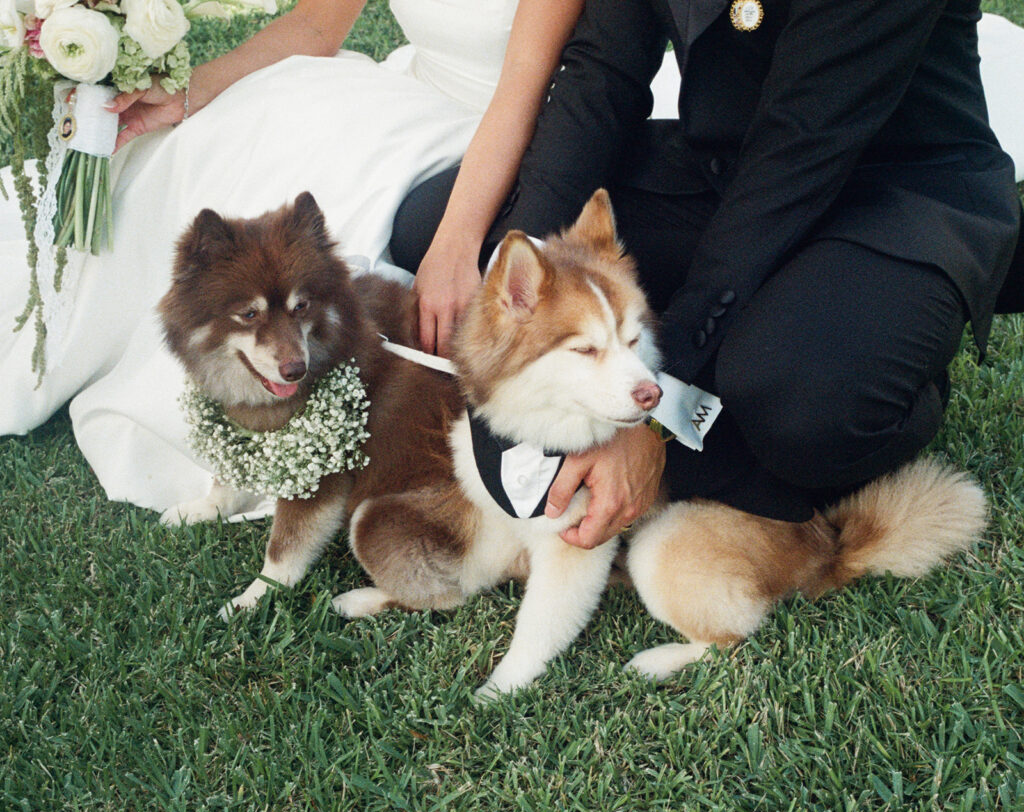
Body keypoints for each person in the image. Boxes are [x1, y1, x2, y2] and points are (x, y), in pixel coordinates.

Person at [390, 0, 1024, 549]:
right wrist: (511, 266)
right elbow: (600, 75)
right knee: (439, 228)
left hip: (885, 194)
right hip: (722, 172)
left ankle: (893, 361)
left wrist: (659, 412)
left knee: (798, 405)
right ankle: (750, 351)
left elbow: (800, 149)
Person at [0, 0, 585, 515]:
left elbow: (522, 89)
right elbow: (312, 27)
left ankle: (268, 432)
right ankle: (88, 329)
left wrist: (454, 244)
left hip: (509, 119)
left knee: (335, 218)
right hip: (408, 91)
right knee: (216, 141)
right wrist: (186, 94)